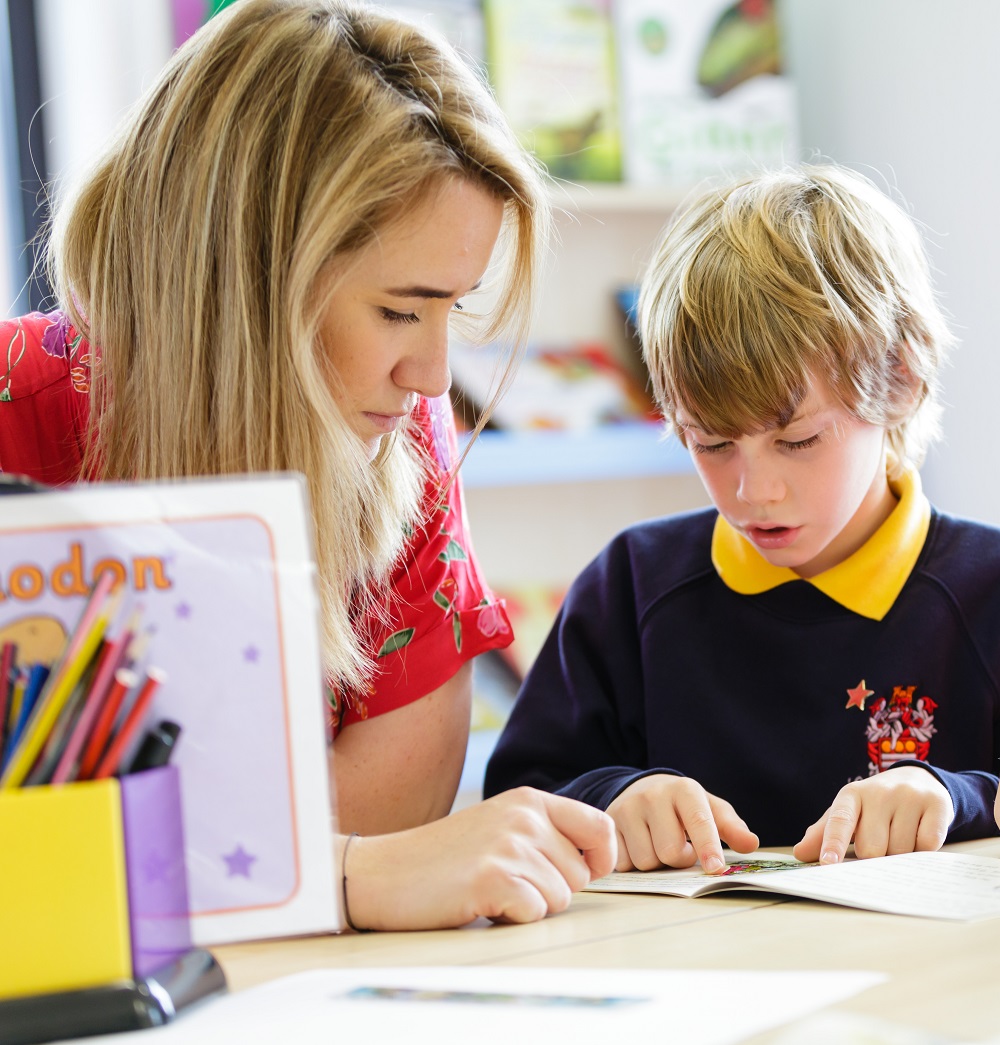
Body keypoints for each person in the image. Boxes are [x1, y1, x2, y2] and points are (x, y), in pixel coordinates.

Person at [0, 0, 615, 930]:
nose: (434, 376)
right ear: (246, 285)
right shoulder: (20, 410)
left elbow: (397, 811)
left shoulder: (399, 427)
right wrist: (339, 875)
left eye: (454, 308)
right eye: (402, 312)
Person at [485, 163, 1000, 875]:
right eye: (712, 442)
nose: (754, 489)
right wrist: (617, 795)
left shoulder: (988, 588)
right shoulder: (631, 586)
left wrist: (959, 797)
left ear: (901, 382)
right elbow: (519, 799)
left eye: (798, 441)